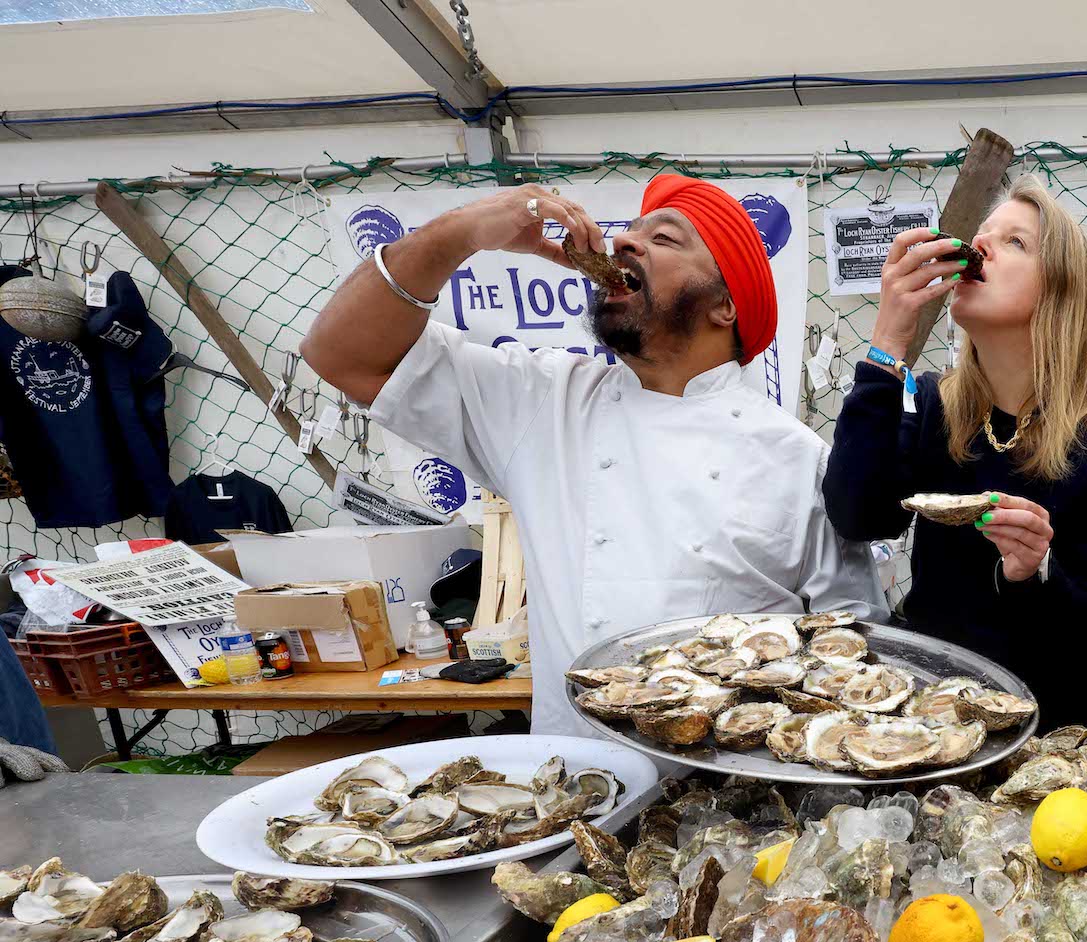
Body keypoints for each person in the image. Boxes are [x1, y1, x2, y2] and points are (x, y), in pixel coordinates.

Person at [303, 176, 882, 734]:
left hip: (738, 800)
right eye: (630, 231)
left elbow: (853, 643)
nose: (625, 241)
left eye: (664, 238)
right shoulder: (542, 400)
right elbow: (340, 354)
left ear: (724, 307)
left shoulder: (797, 457)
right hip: (581, 780)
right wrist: (461, 233)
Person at [823, 180, 1087, 727]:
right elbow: (856, 514)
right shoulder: (932, 404)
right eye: (982, 236)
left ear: (1059, 292)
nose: (983, 246)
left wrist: (1036, 572)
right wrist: (887, 343)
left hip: (1047, 726)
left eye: (1016, 242)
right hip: (927, 712)